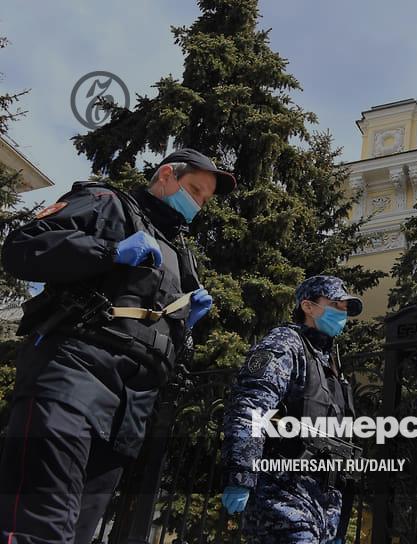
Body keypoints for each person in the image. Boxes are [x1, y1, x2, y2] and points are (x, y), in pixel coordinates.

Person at [0, 148, 235, 543]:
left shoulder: (181, 255)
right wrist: (108, 252)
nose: (198, 203)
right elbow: (23, 248)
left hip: (128, 410)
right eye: (194, 190)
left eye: (205, 199)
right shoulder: (107, 203)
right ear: (166, 175)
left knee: (80, 532)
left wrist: (185, 325)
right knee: (42, 526)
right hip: (73, 377)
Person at [221, 275, 362, 543]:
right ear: (308, 306)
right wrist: (241, 473)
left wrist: (338, 522)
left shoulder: (329, 363)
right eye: (335, 304)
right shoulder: (284, 344)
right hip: (282, 492)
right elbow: (250, 406)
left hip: (325, 506)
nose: (342, 313)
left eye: (345, 308)